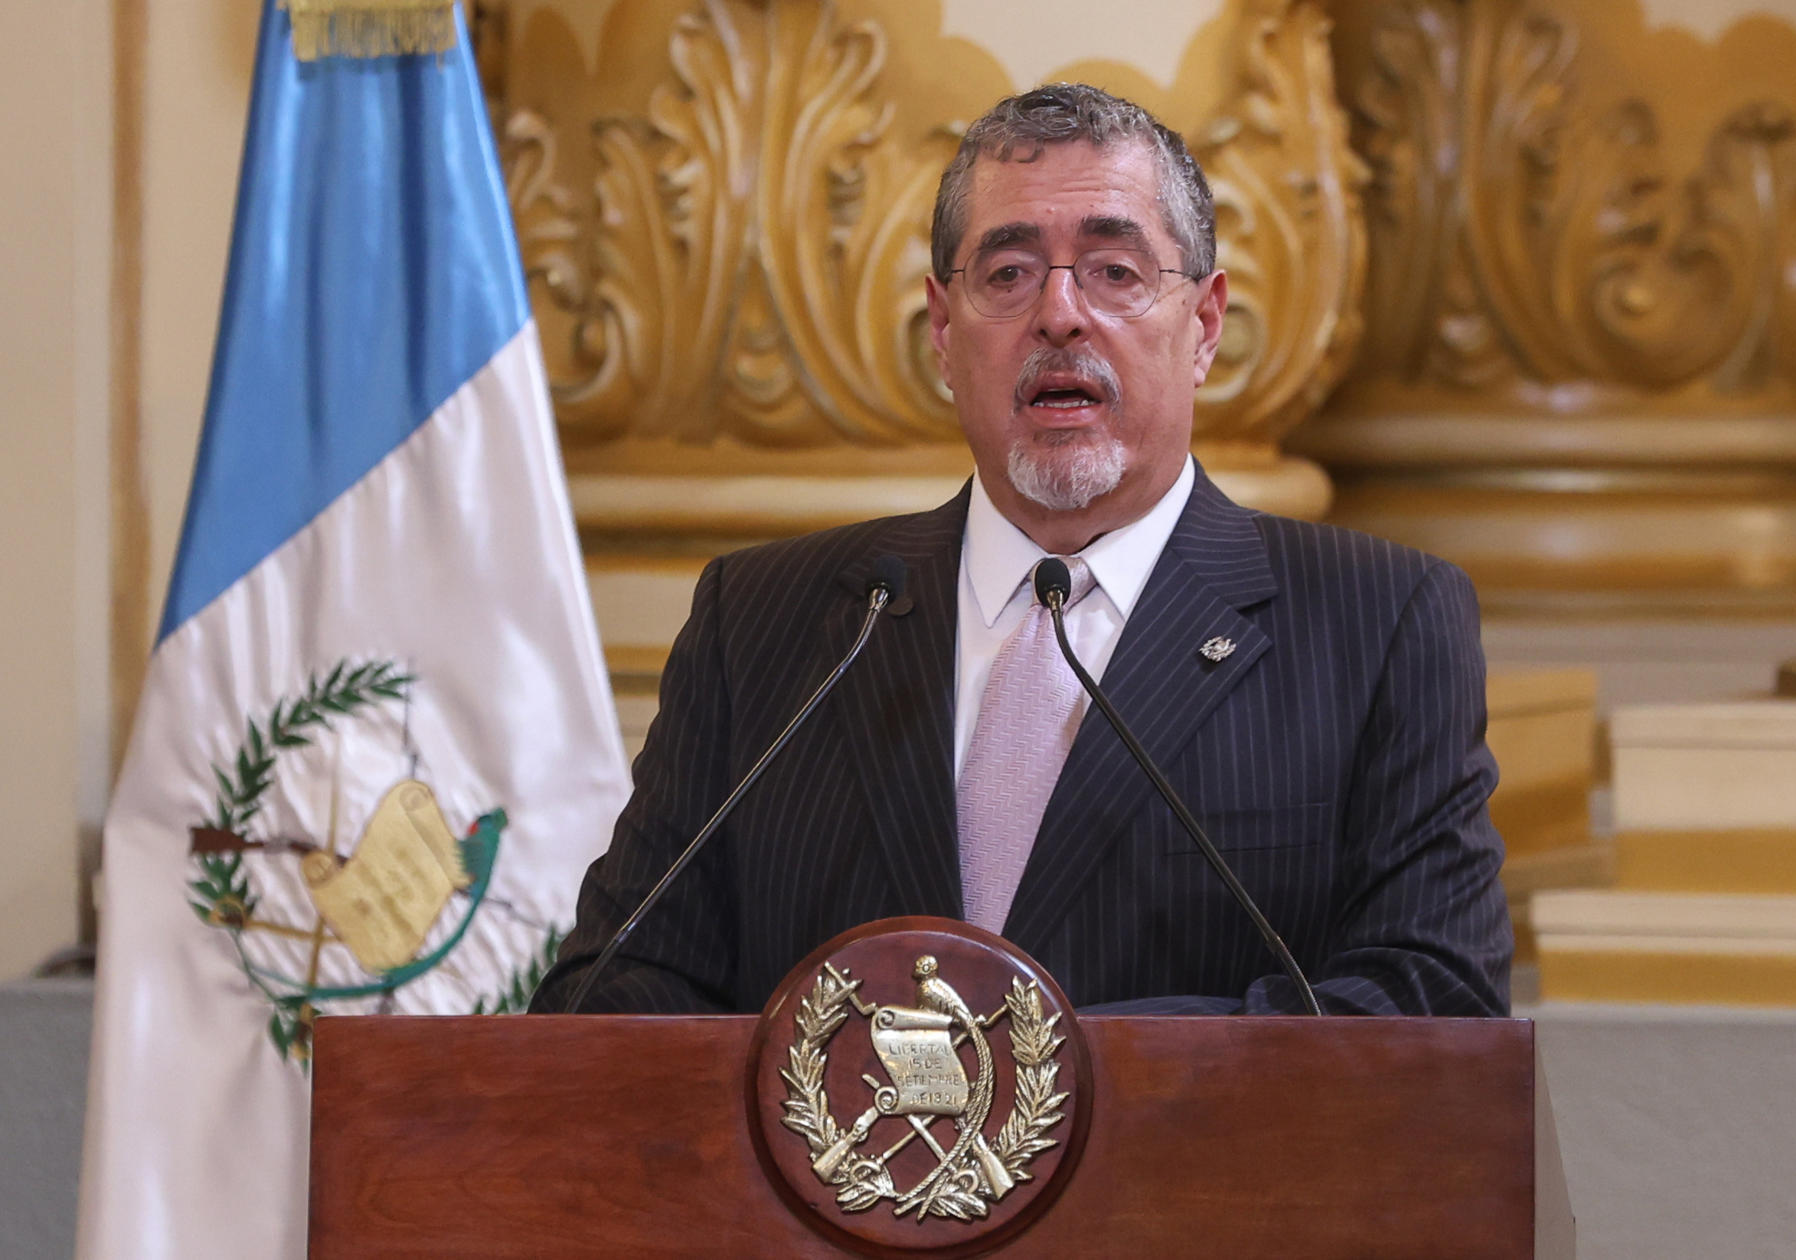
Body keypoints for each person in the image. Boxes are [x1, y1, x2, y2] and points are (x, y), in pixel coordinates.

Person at [531, 84, 1511, 1017]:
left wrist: (1058, 1078)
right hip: (828, 1190)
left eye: (1114, 270)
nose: (1059, 313)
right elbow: (614, 991)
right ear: (945, 334)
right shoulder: (767, 624)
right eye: (1007, 273)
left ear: (1203, 326)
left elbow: (1432, 1000)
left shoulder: (1379, 621)